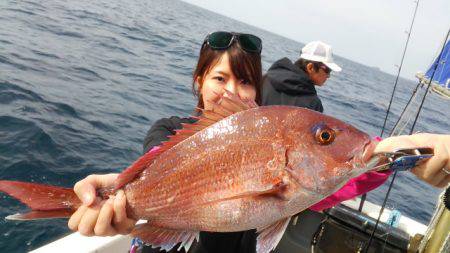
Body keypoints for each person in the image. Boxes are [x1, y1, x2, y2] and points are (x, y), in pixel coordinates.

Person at [69, 31, 264, 253]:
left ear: (257, 90)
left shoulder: (265, 144)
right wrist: (120, 188)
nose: (232, 92)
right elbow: (159, 161)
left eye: (246, 81)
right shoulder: (169, 130)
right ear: (200, 81)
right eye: (220, 78)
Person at [261, 41, 342, 113]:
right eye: (327, 70)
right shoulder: (313, 104)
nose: (328, 76)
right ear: (310, 67)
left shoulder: (266, 77)